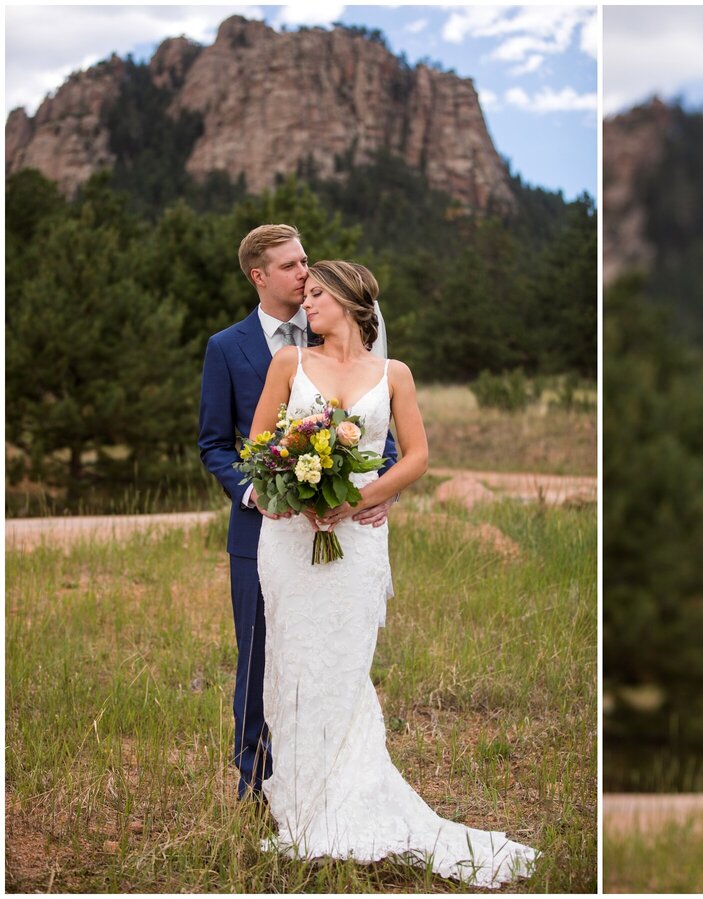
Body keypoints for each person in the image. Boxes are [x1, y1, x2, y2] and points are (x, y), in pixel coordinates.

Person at [248, 260, 538, 886]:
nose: (308, 305)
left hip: (359, 539)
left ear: (352, 302)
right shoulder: (288, 365)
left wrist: (364, 496)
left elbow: (419, 455)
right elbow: (259, 448)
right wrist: (297, 498)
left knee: (346, 669)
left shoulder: (394, 375)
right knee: (294, 662)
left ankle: (351, 797)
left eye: (318, 295)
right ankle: (302, 805)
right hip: (291, 542)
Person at [198, 225, 397, 803]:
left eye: (306, 263)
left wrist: (382, 492)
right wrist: (257, 491)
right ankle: (256, 788)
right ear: (259, 276)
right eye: (291, 266)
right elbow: (215, 442)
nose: (305, 274)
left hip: (346, 527)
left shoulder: (348, 344)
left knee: (327, 656)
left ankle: (326, 782)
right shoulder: (226, 347)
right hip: (264, 531)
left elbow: (382, 443)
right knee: (260, 658)